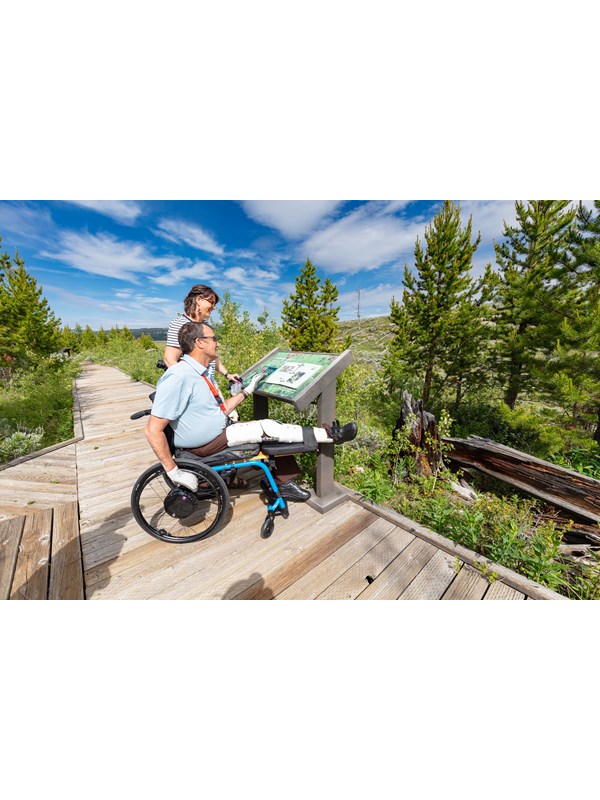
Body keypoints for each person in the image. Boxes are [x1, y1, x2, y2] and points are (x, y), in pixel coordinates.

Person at [145, 321, 358, 502]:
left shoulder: (196, 373)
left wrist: (247, 390)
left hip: (216, 432)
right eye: (214, 338)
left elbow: (220, 409)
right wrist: (174, 472)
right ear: (199, 342)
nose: (218, 343)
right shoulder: (179, 376)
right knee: (266, 428)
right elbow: (152, 430)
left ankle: (284, 481)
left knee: (269, 431)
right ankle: (331, 435)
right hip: (206, 444)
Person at [163, 284, 240, 385]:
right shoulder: (180, 324)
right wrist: (191, 383)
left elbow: (212, 357)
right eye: (211, 302)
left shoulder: (205, 325)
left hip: (207, 383)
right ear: (198, 300)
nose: (214, 307)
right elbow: (169, 360)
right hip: (192, 385)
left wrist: (227, 374)